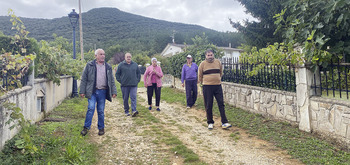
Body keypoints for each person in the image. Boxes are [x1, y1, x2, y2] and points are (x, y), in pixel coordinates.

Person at [79, 48, 117, 136]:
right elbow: (84, 79)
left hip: (102, 92)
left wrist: (113, 91)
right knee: (91, 108)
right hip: (92, 91)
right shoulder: (89, 65)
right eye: (101, 54)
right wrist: (82, 91)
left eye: (104, 54)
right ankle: (86, 127)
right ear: (96, 56)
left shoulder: (108, 67)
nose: (103, 56)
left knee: (100, 110)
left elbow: (111, 80)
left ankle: (101, 128)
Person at [198, 49, 232, 130]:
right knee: (209, 105)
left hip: (217, 86)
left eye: (211, 55)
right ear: (206, 56)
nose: (210, 57)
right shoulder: (202, 64)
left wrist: (217, 79)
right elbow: (200, 75)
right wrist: (204, 83)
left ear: (213, 55)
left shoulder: (218, 62)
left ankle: (224, 122)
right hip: (207, 87)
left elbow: (221, 72)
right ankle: (210, 122)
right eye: (208, 55)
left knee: (221, 104)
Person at [115, 53, 141, 117]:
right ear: (125, 57)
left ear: (131, 57)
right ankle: (126, 111)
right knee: (125, 98)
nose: (128, 58)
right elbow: (117, 74)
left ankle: (134, 110)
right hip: (124, 85)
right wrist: (121, 81)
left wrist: (137, 81)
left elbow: (138, 73)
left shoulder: (135, 65)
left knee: (133, 97)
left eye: (129, 57)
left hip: (133, 85)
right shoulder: (121, 65)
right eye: (127, 57)